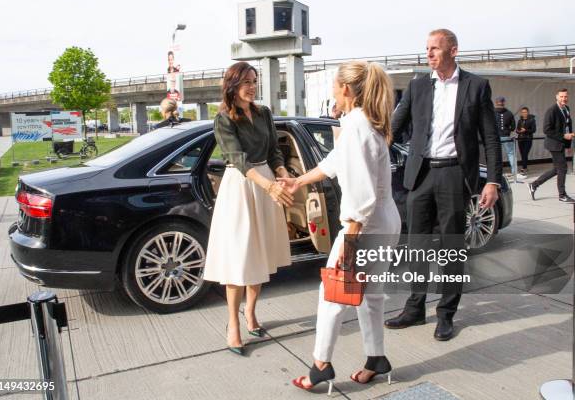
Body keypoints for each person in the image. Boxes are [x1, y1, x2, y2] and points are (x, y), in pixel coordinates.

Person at [283, 61, 401, 393]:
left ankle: (321, 365)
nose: (333, 91)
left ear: (346, 89)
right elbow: (335, 163)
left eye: (335, 86)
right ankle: (376, 359)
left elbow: (361, 191)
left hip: (362, 226)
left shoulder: (356, 127)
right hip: (385, 221)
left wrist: (349, 238)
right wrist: (298, 182)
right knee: (371, 297)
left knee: (333, 295)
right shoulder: (367, 123)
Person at [384, 29, 502, 341]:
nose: (429, 54)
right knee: (417, 247)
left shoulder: (476, 86)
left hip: (453, 175)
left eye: (435, 48)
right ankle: (414, 307)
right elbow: (394, 127)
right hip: (421, 174)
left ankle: (446, 314)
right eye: (427, 49)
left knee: (451, 247)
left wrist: (492, 180)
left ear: (453, 50)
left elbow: (490, 138)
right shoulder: (418, 85)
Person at [203, 61, 294, 356]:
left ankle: (251, 313)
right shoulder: (223, 118)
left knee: (260, 254)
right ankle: (233, 323)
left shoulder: (264, 113)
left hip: (267, 181)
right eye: (246, 82)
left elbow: (273, 151)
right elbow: (237, 159)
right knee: (239, 258)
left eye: (254, 81)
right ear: (232, 85)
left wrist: (281, 172)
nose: (252, 86)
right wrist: (268, 186)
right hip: (241, 187)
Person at [528, 88, 575, 203]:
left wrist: (568, 145)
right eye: (561, 96)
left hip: (561, 143)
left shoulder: (566, 109)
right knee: (563, 168)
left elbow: (568, 127)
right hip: (554, 144)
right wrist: (564, 136)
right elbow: (547, 130)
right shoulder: (552, 110)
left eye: (565, 96)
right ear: (557, 97)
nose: (564, 99)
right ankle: (562, 195)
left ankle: (534, 185)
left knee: (557, 169)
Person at [494, 96, 518, 178]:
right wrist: (508, 130)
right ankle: (514, 172)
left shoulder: (491, 112)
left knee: (496, 155)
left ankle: (497, 173)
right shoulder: (509, 113)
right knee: (511, 154)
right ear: (504, 102)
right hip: (506, 136)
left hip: (495, 137)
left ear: (496, 102)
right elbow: (513, 126)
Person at [516, 106, 537, 175]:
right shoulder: (520, 120)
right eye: (522, 112)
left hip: (528, 139)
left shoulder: (532, 120)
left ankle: (524, 168)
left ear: (528, 112)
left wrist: (525, 130)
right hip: (520, 139)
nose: (524, 113)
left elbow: (533, 130)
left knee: (525, 153)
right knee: (522, 154)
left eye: (525, 112)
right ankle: (525, 167)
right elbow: (517, 130)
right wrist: (518, 131)